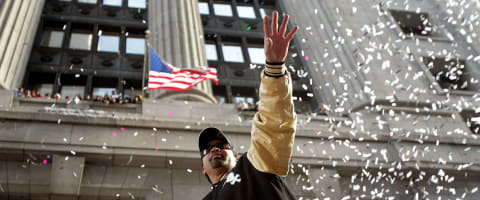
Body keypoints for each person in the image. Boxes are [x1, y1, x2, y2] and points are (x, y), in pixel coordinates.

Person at [198, 11, 298, 200]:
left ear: (236, 158)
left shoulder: (254, 165)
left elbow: (273, 127)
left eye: (221, 145)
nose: (214, 149)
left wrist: (274, 67)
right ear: (203, 167)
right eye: (207, 149)